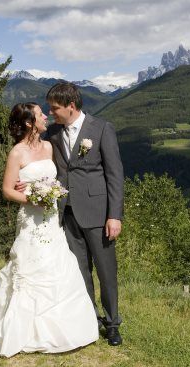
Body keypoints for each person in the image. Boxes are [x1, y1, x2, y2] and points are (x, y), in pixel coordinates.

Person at [0, 102, 98, 358]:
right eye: (40, 114)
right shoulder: (17, 153)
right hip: (31, 218)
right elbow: (7, 190)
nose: (46, 117)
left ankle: (65, 328)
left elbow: (58, 178)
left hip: (52, 218)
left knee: (58, 264)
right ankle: (24, 328)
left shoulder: (50, 146)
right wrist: (31, 199)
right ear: (29, 123)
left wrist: (52, 194)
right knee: (31, 265)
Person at [41, 82, 124, 346]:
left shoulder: (101, 129)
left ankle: (112, 324)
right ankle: (90, 318)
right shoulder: (53, 132)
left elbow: (115, 175)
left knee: (106, 272)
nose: (51, 112)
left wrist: (115, 216)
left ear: (71, 107)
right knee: (79, 271)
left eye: (54, 108)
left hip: (99, 215)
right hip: (67, 213)